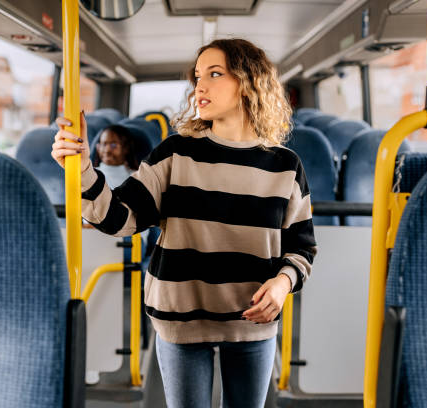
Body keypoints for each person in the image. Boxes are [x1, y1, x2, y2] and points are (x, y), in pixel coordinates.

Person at [51, 38, 317, 408]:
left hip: (252, 319)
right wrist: (81, 169)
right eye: (197, 77)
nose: (200, 86)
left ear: (249, 81)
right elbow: (120, 218)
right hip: (180, 317)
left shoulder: (286, 165)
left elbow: (302, 248)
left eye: (214, 74)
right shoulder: (175, 153)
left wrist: (282, 283)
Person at [93, 124, 139, 189]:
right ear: (98, 147)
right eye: (104, 144)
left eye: (113, 145)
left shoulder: (136, 178)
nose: (107, 150)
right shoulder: (89, 175)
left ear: (126, 148)